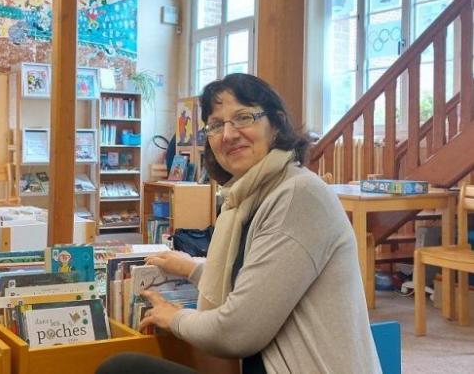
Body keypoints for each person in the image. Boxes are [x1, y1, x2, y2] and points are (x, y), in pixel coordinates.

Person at [98, 74, 381, 374]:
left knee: (122, 369)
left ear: (276, 124)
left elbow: (238, 331)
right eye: (216, 125)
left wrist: (175, 317)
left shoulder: (298, 195)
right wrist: (193, 268)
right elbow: (261, 281)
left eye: (243, 117)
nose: (228, 135)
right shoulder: (247, 197)